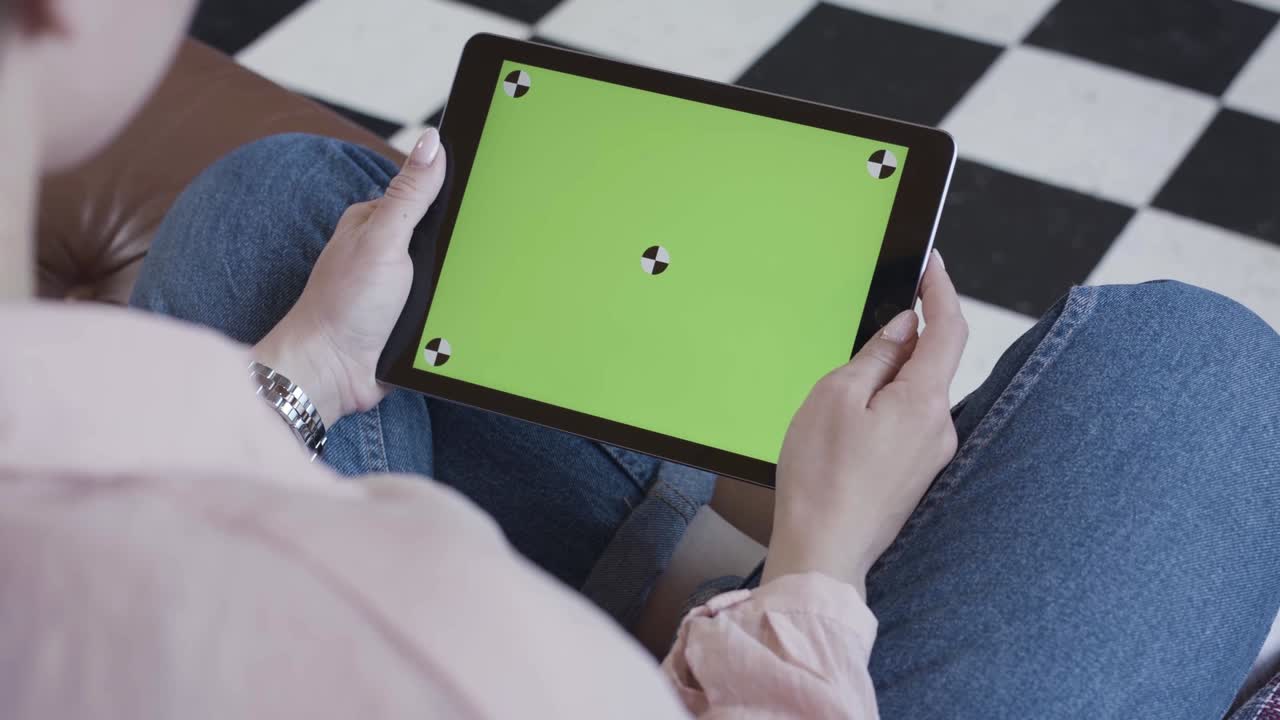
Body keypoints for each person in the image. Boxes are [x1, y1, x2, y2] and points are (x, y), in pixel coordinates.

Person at [2, 0, 1278, 717]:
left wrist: (302, 375)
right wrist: (820, 562)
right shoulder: (431, 652)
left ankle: (686, 597)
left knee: (285, 204)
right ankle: (726, 633)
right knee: (1194, 364)